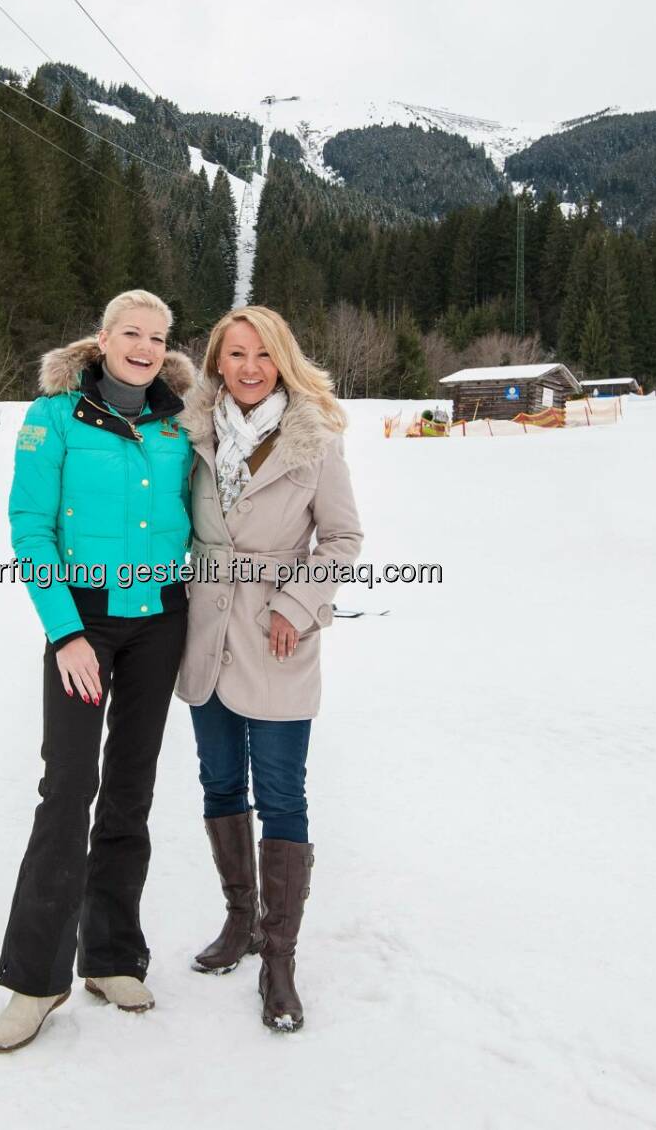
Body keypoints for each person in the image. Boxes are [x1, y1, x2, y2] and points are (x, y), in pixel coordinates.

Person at [0, 290, 196, 1053]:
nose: (144, 347)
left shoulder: (180, 420)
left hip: (160, 621)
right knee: (68, 787)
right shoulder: (53, 418)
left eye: (158, 337)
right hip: (85, 623)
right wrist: (66, 632)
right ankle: (36, 981)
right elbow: (31, 528)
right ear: (103, 339)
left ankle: (111, 955)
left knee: (131, 787)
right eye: (131, 334)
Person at [176, 306, 363, 1033]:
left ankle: (279, 957)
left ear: (281, 360)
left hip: (277, 635)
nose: (248, 368)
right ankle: (240, 922)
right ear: (217, 363)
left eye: (261, 355)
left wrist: (297, 604)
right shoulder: (192, 436)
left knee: (282, 793)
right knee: (220, 781)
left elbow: (343, 538)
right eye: (234, 355)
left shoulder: (314, 439)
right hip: (206, 631)